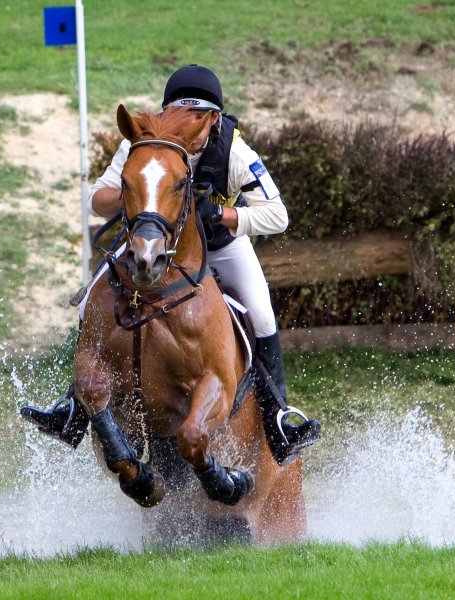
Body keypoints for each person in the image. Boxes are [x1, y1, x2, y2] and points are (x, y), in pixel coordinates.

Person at [21, 65, 320, 464]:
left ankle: (280, 419)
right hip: (153, 243)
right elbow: (97, 199)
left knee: (262, 315)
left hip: (220, 247)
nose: (184, 130)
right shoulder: (141, 144)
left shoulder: (234, 151)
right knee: (93, 296)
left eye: (194, 120)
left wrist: (230, 217)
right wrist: (130, 187)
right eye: (177, 116)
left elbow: (278, 215)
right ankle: (73, 411)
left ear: (214, 119)